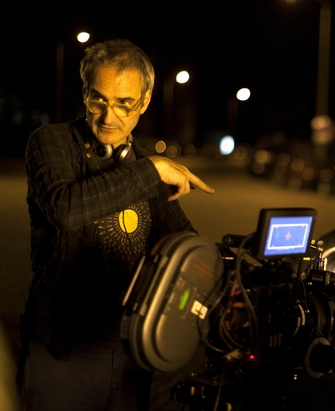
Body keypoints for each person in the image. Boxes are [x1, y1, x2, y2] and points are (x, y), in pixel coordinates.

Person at [19, 39, 215, 411]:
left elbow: (184, 243)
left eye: (124, 103)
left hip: (131, 353)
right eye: (98, 100)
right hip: (62, 356)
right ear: (85, 93)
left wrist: (231, 264)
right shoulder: (51, 142)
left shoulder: (145, 166)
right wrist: (152, 168)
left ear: (144, 101)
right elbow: (65, 208)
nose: (109, 117)